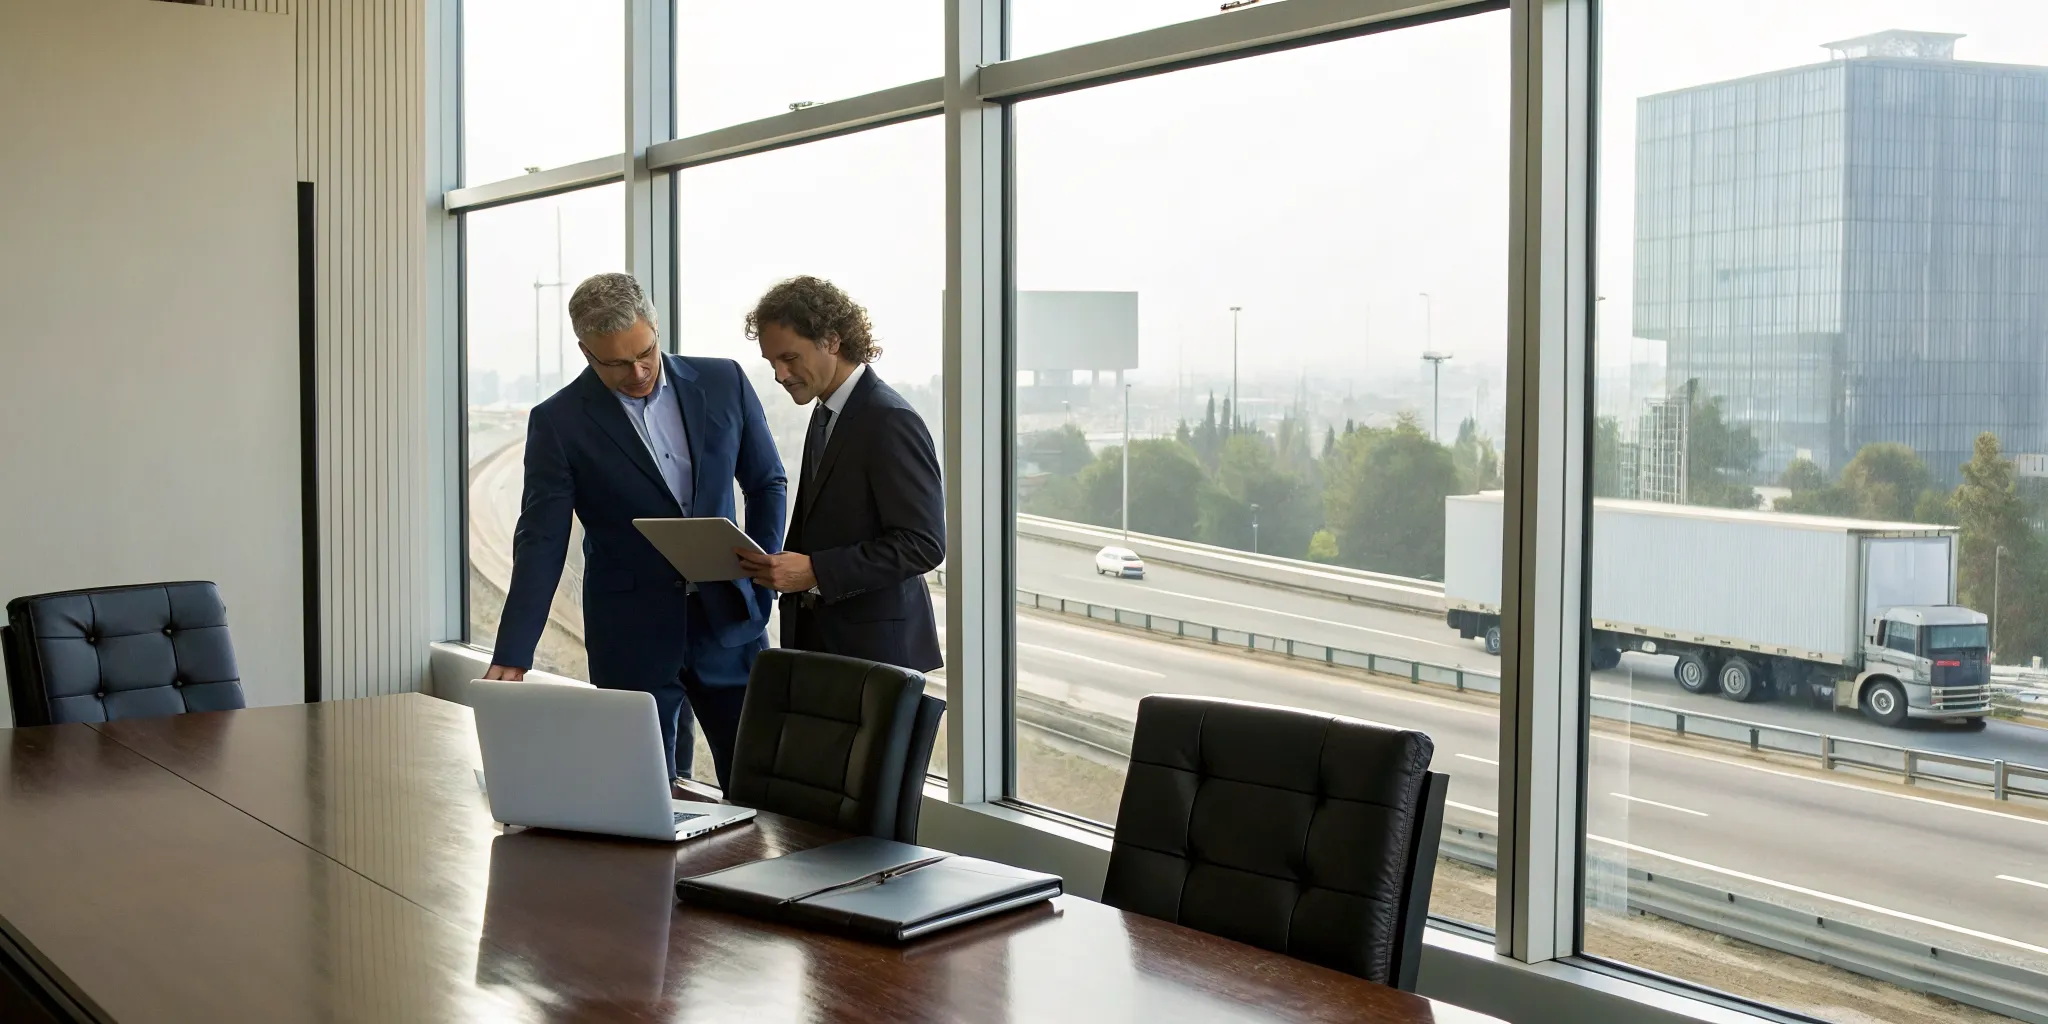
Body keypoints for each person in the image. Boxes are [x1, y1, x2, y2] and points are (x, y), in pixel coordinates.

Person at [485, 272, 785, 789]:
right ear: (586, 352)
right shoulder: (558, 422)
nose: (639, 371)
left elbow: (767, 482)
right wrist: (513, 652)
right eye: (617, 363)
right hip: (630, 637)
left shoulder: (724, 381)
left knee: (761, 788)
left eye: (645, 352)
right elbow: (541, 541)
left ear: (655, 327)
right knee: (643, 797)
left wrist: (763, 580)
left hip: (730, 622)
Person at [735, 276, 944, 672]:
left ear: (832, 341)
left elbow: (923, 544)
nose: (780, 374)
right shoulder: (825, 413)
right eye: (772, 362)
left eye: (789, 358)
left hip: (875, 659)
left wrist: (815, 571)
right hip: (830, 649)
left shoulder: (889, 419)